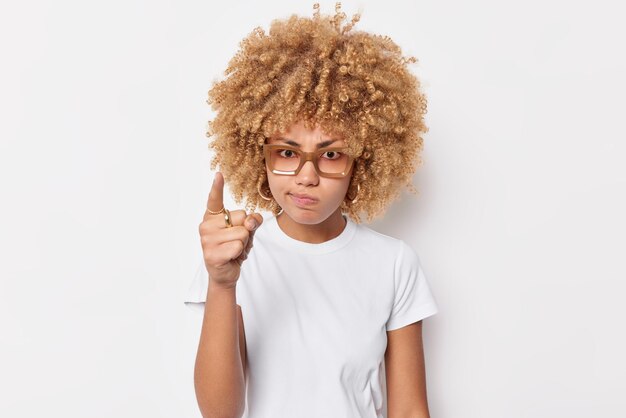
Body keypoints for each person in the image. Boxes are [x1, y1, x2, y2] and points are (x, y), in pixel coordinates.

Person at [184, 3, 439, 417]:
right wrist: (221, 284)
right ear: (258, 154)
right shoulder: (234, 256)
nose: (306, 176)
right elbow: (220, 413)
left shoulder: (393, 263)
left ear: (363, 160)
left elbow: (410, 410)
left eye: (331, 154)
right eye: (286, 151)